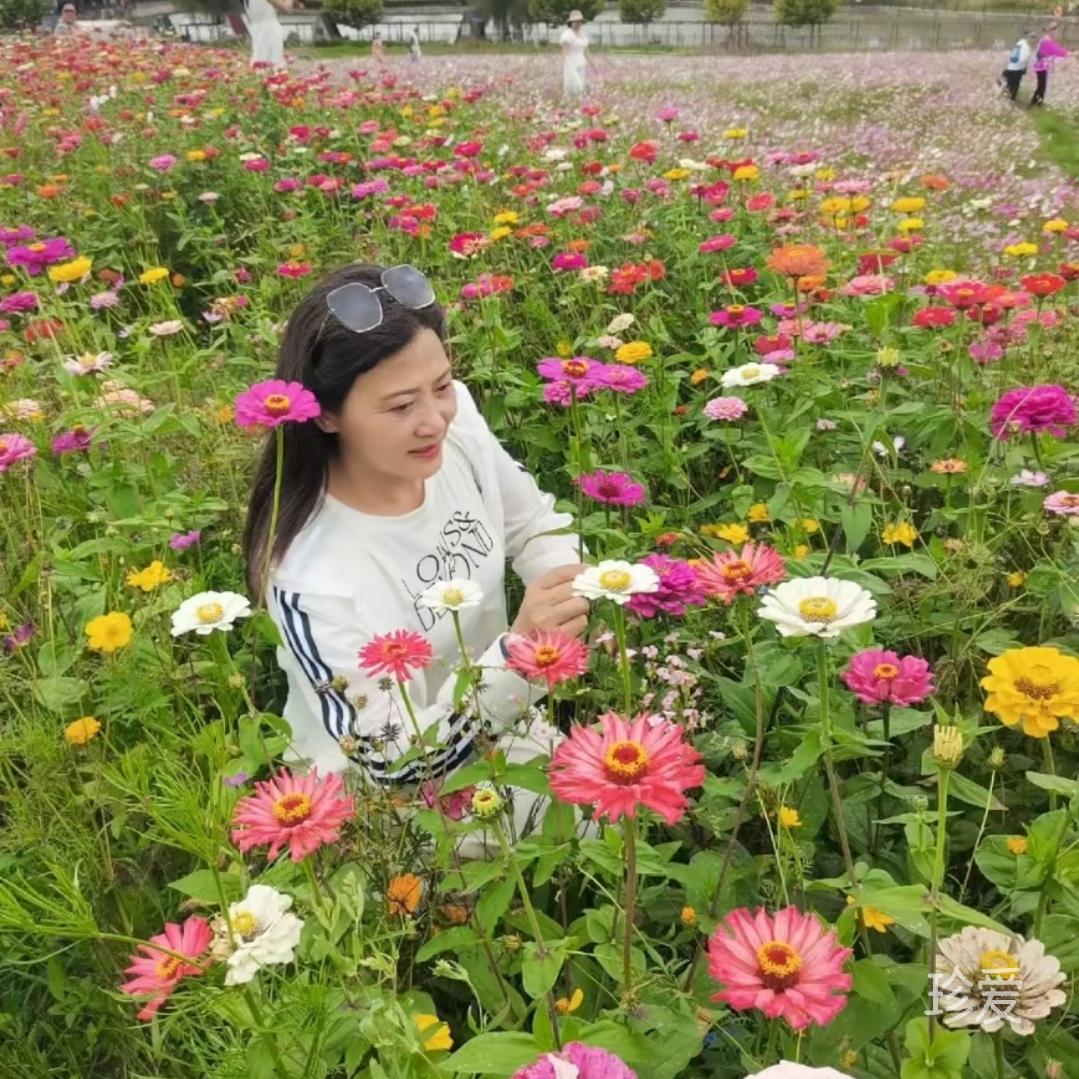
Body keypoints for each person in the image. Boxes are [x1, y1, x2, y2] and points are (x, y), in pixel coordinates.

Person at [243, 263, 588, 833]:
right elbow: (388, 759)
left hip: (505, 724)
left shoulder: (458, 428)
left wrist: (569, 593)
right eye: (401, 407)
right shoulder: (310, 572)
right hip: (391, 808)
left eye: (443, 386)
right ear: (325, 414)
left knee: (612, 824)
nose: (435, 421)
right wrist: (521, 654)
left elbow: (534, 525)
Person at [1030, 23, 1070, 106]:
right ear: (1051, 32)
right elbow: (1058, 50)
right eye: (1056, 31)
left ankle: (1035, 104)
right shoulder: (1046, 41)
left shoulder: (1045, 40)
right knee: (1041, 87)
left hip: (1040, 66)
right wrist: (1071, 54)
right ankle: (1036, 104)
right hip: (1041, 66)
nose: (1057, 34)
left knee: (1041, 86)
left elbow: (1056, 49)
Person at [244, 0, 292, 70]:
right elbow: (286, 8)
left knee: (260, 65)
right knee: (273, 67)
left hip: (257, 32)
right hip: (269, 33)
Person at [559, 9, 594, 102]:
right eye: (576, 21)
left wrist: (592, 63)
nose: (578, 23)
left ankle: (577, 105)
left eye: (580, 21)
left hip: (581, 63)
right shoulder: (568, 34)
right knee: (576, 85)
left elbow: (586, 50)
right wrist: (560, 64)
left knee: (581, 85)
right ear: (571, 22)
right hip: (571, 64)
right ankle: (570, 102)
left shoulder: (583, 34)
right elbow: (564, 50)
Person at [1000, 30, 1035, 101]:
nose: (1033, 40)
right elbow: (1024, 59)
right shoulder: (1026, 47)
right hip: (1017, 69)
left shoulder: (1018, 43)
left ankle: (1005, 100)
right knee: (1014, 87)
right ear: (1028, 37)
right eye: (1032, 37)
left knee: (1009, 85)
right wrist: (1025, 66)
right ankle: (1011, 101)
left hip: (1010, 67)